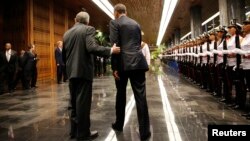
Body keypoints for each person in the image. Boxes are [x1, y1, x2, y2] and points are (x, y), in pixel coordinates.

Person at [62, 11, 120, 141]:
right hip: (83, 72)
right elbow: (92, 47)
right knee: (83, 104)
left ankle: (74, 131)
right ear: (88, 21)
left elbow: (64, 56)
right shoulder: (89, 29)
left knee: (73, 103)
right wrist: (111, 50)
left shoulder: (67, 33)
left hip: (71, 72)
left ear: (75, 19)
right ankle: (83, 134)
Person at [109, 3, 151, 141]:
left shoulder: (114, 23)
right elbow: (138, 43)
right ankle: (145, 131)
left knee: (121, 95)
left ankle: (119, 124)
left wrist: (114, 68)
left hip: (122, 65)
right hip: (138, 63)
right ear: (125, 12)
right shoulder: (136, 23)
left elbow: (115, 46)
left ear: (116, 12)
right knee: (141, 97)